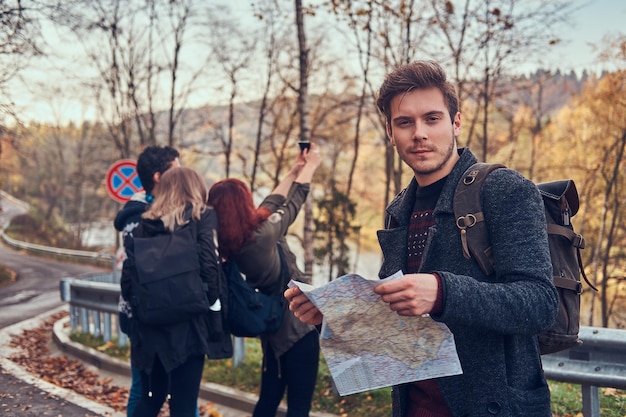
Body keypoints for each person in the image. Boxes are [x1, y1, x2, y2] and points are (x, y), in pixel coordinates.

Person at [285, 61, 559, 417]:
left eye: (432, 118)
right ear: (390, 131)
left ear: (455, 122)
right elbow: (403, 326)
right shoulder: (399, 208)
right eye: (405, 122)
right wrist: (337, 317)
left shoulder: (504, 190)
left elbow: (540, 304)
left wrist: (443, 292)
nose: (419, 133)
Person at [207, 144, 322, 417]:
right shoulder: (260, 237)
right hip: (297, 329)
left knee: (268, 401)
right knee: (298, 407)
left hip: (271, 330)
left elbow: (270, 204)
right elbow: (293, 203)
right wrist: (311, 167)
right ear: (242, 204)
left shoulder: (230, 239)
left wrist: (294, 171)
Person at [121, 166, 230, 417]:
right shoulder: (202, 215)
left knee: (152, 396)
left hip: (150, 325)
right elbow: (209, 263)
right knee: (183, 402)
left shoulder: (144, 222)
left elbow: (128, 277)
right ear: (195, 187)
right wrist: (212, 306)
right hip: (189, 325)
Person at [113, 145, 193, 417]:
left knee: (167, 390)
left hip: (154, 312)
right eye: (176, 169)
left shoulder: (160, 209)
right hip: (143, 314)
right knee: (147, 388)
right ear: (160, 177)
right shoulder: (140, 216)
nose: (181, 175)